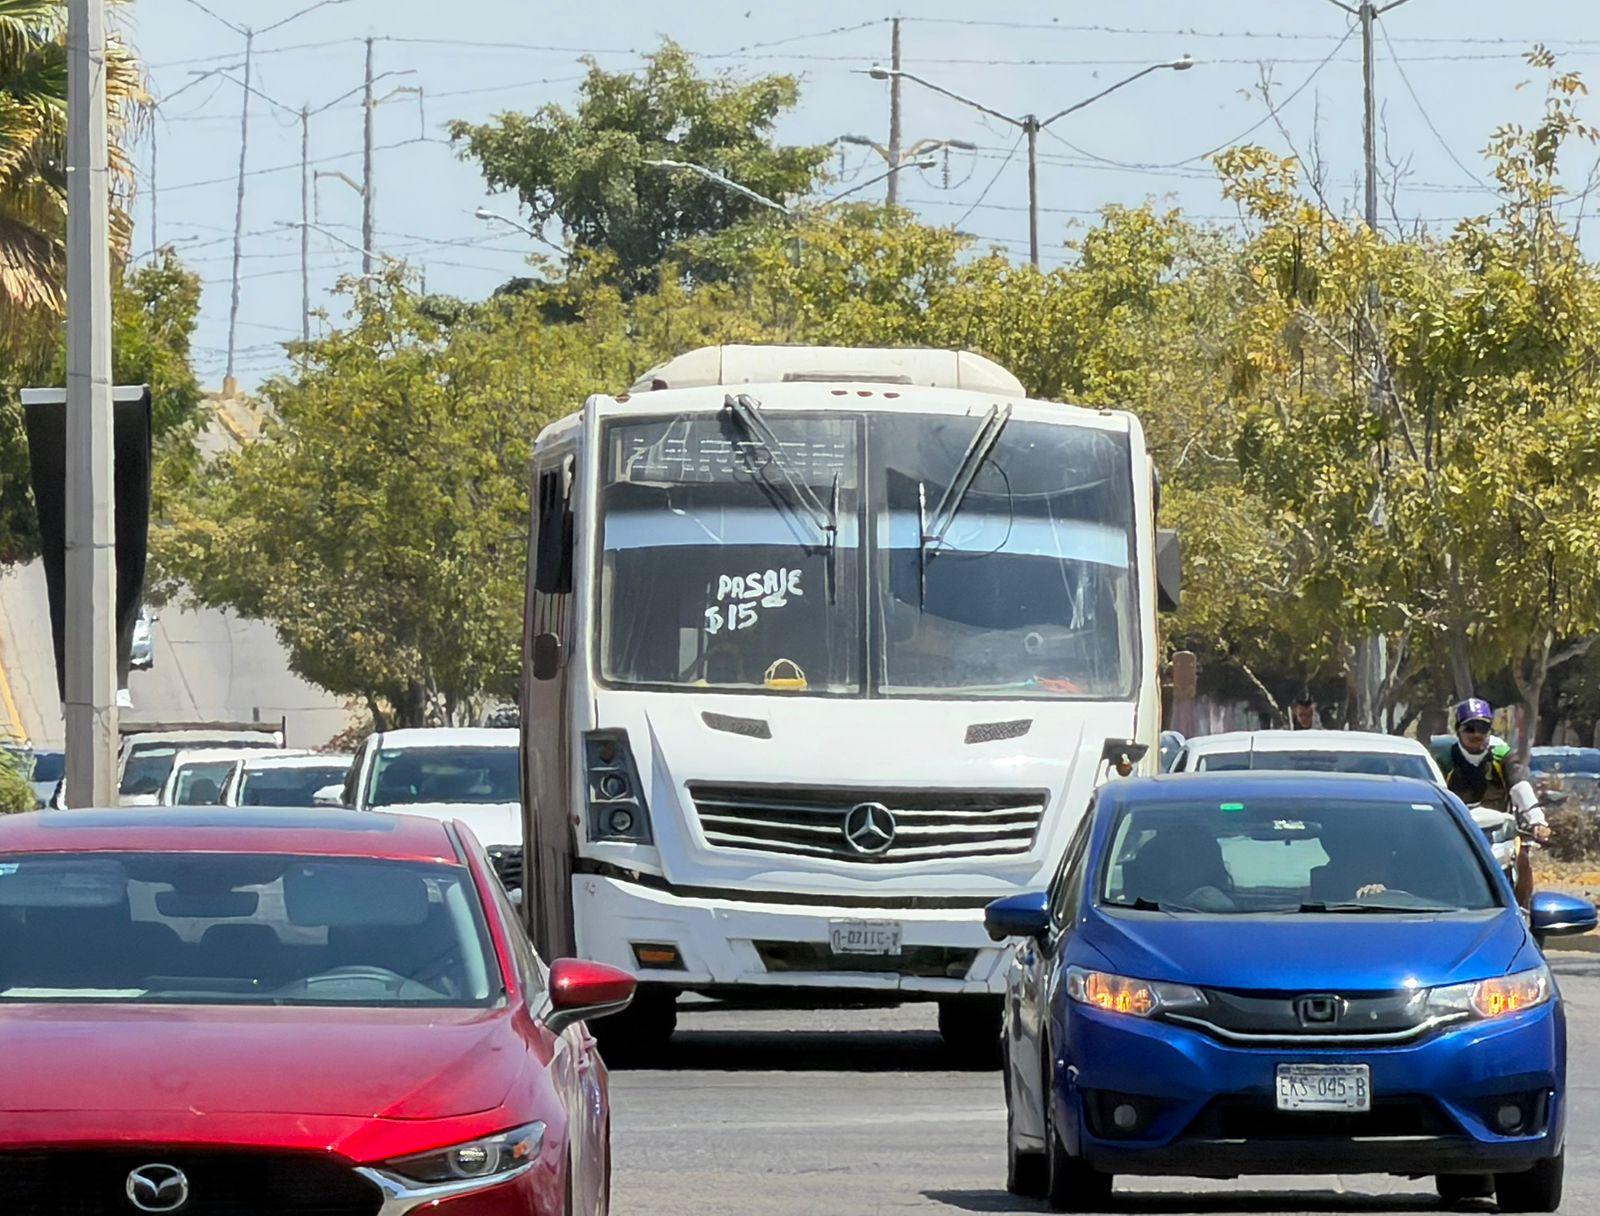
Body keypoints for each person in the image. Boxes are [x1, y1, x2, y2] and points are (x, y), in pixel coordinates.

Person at [1438, 697, 1550, 909]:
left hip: (1499, 835)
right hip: (1456, 835)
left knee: (1522, 860)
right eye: (1469, 728)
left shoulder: (1501, 755)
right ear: (1458, 730)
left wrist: (1537, 820)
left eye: (1483, 728)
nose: (1476, 734)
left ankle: (1523, 914)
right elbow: (1434, 793)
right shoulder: (1445, 760)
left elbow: (1519, 784)